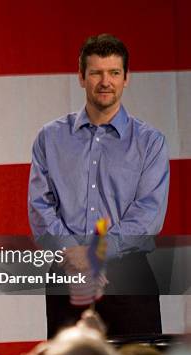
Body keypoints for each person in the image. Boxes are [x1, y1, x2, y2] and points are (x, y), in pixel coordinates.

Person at [28, 34, 170, 337]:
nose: (105, 81)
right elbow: (40, 207)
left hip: (128, 275)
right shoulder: (50, 138)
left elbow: (148, 213)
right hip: (66, 275)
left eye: (114, 73)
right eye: (96, 73)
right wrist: (73, 254)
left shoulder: (150, 142)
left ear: (126, 78)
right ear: (81, 77)